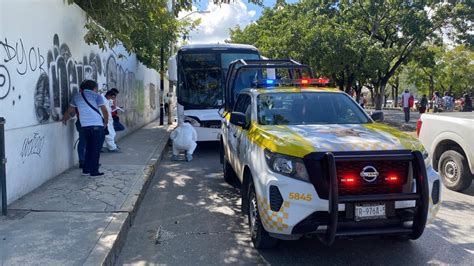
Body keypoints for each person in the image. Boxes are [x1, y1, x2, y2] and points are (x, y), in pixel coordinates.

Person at [62, 80, 108, 176]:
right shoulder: (97, 96)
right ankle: (94, 171)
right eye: (96, 88)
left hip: (84, 126)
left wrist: (64, 119)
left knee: (88, 148)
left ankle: (86, 170)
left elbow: (70, 109)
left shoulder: (77, 96)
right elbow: (104, 110)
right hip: (96, 125)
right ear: (94, 88)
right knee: (95, 149)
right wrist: (106, 122)